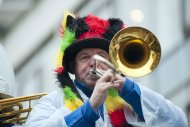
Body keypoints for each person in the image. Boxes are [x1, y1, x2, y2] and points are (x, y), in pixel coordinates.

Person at [23, 12, 188, 127]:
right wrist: (91, 106)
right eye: (84, 57)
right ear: (74, 66)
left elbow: (178, 122)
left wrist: (129, 89)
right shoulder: (52, 102)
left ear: (113, 62)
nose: (94, 63)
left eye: (101, 56)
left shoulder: (127, 101)